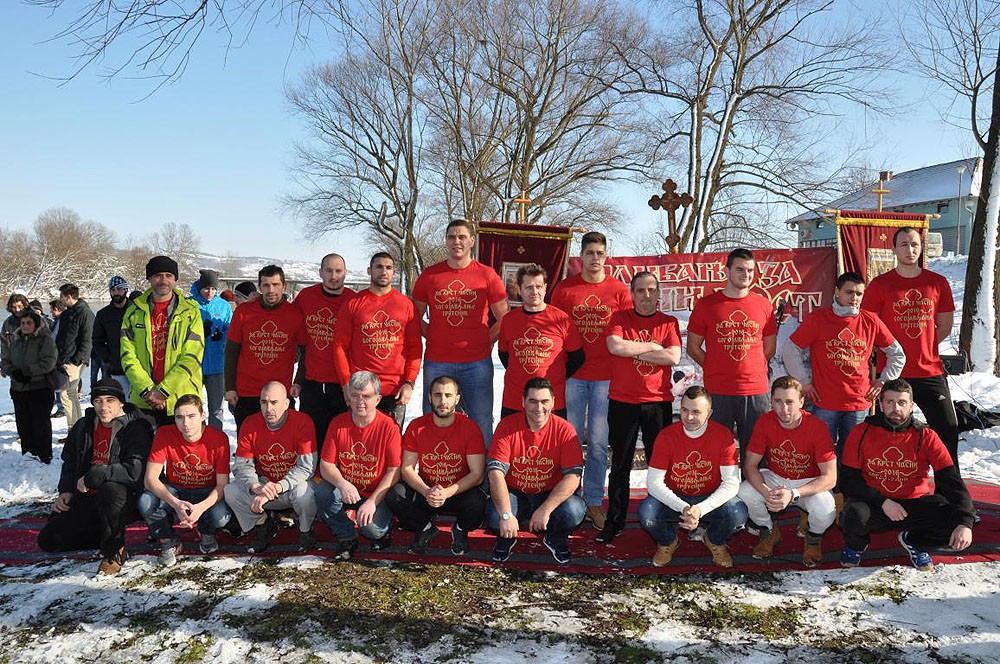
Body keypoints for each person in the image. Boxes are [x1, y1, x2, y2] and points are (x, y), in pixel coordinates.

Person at [840, 379, 974, 571]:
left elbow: (951, 480)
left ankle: (914, 541)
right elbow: (848, 480)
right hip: (875, 503)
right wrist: (882, 501)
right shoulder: (861, 432)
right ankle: (857, 545)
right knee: (852, 515)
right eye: (890, 402)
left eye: (902, 403)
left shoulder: (926, 436)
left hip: (914, 504)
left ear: (911, 406)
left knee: (951, 518)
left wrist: (965, 522)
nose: (896, 408)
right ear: (881, 404)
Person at [550, 231, 632, 529]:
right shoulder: (565, 289)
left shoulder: (619, 291)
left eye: (600, 253)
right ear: (580, 256)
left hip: (606, 377)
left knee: (598, 444)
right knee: (569, 442)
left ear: (605, 255)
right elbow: (554, 330)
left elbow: (627, 331)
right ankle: (566, 497)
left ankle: (594, 501)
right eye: (590, 253)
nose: (595, 258)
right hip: (573, 376)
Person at [861, 227, 961, 464]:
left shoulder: (937, 283)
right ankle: (888, 486)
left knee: (947, 429)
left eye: (915, 244)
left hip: (929, 371)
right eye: (904, 244)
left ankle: (950, 489)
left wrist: (922, 346)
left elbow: (944, 326)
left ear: (921, 247)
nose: (910, 249)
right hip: (893, 373)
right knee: (888, 433)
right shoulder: (880, 285)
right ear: (894, 249)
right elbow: (867, 329)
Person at [37, 379, 155, 575]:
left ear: (121, 403)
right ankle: (104, 534)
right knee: (49, 541)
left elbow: (134, 471)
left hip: (127, 497)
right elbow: (70, 460)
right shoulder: (84, 426)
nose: (104, 407)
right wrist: (66, 490)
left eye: (110, 400)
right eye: (98, 401)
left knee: (111, 488)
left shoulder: (136, 427)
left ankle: (114, 550)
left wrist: (95, 475)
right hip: (88, 496)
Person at [597, 271, 681, 544]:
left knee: (660, 464)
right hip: (623, 400)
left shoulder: (668, 322)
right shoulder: (620, 318)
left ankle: (662, 518)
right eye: (641, 291)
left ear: (659, 293)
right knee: (620, 464)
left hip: (657, 402)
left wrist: (633, 348)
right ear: (632, 294)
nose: (647, 296)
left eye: (651, 290)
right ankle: (615, 521)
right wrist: (651, 346)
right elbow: (614, 346)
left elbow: (673, 356)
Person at [783, 271, 905, 452]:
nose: (854, 298)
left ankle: (847, 482)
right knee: (821, 454)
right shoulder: (819, 319)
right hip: (825, 402)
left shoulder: (871, 321)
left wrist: (883, 382)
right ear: (836, 292)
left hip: (858, 402)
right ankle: (828, 482)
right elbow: (790, 349)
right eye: (849, 292)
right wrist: (803, 382)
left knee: (852, 455)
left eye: (859, 294)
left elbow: (898, 354)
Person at [412, 219, 509, 446]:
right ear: (446, 241)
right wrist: (433, 335)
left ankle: (484, 480)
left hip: (477, 362)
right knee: (432, 417)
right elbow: (413, 317)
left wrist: (487, 341)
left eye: (462, 237)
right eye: (452, 237)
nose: (457, 241)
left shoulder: (487, 275)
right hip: (438, 360)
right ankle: (431, 474)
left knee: (481, 420)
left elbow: (505, 317)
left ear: (472, 241)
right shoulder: (430, 275)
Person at [638, 386, 747, 568]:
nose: (689, 417)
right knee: (647, 513)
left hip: (709, 496)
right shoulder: (666, 436)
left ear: (709, 413)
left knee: (738, 514)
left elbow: (731, 483)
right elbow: (653, 483)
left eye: (696, 412)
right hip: (674, 497)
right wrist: (683, 508)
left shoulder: (723, 436)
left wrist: (700, 509)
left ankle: (714, 539)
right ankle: (668, 541)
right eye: (684, 410)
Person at [737, 376, 837, 567]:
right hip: (776, 477)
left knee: (826, 510)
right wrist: (766, 493)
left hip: (808, 481)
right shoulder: (765, 421)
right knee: (744, 492)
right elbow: (750, 465)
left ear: (801, 401)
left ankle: (813, 538)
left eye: (790, 402)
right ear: (771, 401)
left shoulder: (817, 427)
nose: (784, 409)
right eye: (778, 402)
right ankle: (768, 531)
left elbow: (830, 477)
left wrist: (793, 494)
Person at [486, 377, 586, 565]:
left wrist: (545, 510)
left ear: (553, 403)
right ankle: (507, 536)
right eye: (532, 401)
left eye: (544, 401)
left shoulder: (565, 430)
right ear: (523, 402)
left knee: (575, 510)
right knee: (494, 514)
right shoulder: (507, 426)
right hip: (516, 493)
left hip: (549, 492)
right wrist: (506, 515)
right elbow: (495, 473)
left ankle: (554, 538)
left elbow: (573, 477)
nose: (538, 407)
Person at [687, 248, 777, 450]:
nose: (746, 275)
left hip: (755, 391)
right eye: (740, 270)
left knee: (756, 455)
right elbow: (693, 348)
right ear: (726, 271)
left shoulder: (764, 305)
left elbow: (769, 348)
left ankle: (752, 484)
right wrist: (715, 366)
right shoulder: (706, 305)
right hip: (718, 390)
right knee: (716, 452)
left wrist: (750, 367)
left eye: (750, 271)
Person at [386, 375, 487, 556]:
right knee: (395, 494)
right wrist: (426, 491)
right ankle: (425, 527)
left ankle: (460, 529)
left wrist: (446, 493)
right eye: (438, 395)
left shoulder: (470, 428)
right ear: (429, 398)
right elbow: (407, 469)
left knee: (478, 501)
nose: (443, 401)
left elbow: (477, 474)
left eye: (448, 396)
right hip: (428, 491)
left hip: (457, 491)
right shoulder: (417, 427)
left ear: (457, 399)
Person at [138, 393, 234, 565]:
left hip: (206, 490)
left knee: (221, 516)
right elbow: (150, 480)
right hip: (176, 489)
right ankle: (168, 540)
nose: (186, 423)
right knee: (146, 501)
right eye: (179, 417)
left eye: (191, 416)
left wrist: (199, 508)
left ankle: (207, 533)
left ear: (203, 416)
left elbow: (222, 485)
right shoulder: (165, 434)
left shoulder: (218, 439)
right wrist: (175, 503)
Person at [223, 381, 318, 554]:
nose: (268, 408)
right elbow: (242, 466)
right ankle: (262, 525)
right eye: (264, 402)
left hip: (290, 486)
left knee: (305, 492)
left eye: (274, 402)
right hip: (264, 485)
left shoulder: (302, 422)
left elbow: (306, 468)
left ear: (286, 403)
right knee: (231, 490)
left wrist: (279, 486)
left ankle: (306, 530)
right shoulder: (250, 424)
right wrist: (256, 486)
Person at [317, 370, 402, 560]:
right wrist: (342, 483)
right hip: (349, 489)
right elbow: (326, 465)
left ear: (378, 399)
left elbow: (394, 471)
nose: (359, 401)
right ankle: (346, 536)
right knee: (322, 492)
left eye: (366, 396)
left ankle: (385, 527)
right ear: (348, 397)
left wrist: (372, 501)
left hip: (376, 493)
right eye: (354, 395)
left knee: (371, 531)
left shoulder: (389, 427)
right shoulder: (337, 424)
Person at [333, 253, 421, 425]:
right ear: (369, 270)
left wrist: (409, 383)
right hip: (361, 389)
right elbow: (340, 347)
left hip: (394, 390)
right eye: (379, 267)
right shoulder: (353, 304)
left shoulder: (405, 305)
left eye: (388, 268)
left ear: (394, 272)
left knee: (391, 445)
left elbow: (415, 347)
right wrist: (345, 384)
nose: (384, 271)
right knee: (361, 445)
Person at [120, 256, 205, 427]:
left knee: (181, 453)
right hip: (144, 400)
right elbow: (127, 356)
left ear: (175, 279)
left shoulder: (191, 312)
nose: (163, 280)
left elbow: (192, 356)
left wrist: (164, 391)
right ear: (149, 278)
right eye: (158, 275)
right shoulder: (133, 312)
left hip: (181, 400)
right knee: (142, 452)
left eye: (168, 275)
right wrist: (148, 391)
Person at [225, 265, 307, 431]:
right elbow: (231, 352)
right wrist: (230, 387)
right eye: (266, 285)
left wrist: (298, 382)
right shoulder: (244, 312)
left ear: (284, 286)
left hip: (280, 393)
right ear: (260, 287)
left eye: (276, 285)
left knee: (280, 447)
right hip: (247, 392)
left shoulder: (294, 314)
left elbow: (306, 352)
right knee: (247, 445)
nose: (271, 290)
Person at [497, 264, 584, 419]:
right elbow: (504, 355)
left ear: (545, 287)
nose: (534, 292)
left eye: (538, 286)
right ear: (519, 289)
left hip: (550, 401)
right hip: (515, 400)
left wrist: (556, 376)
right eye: (529, 287)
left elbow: (577, 357)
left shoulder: (561, 319)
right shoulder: (509, 320)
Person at [294, 253, 355, 446]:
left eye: (338, 271)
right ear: (321, 272)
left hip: (342, 381)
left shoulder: (353, 300)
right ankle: (311, 472)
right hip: (312, 379)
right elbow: (287, 321)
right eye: (328, 270)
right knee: (310, 434)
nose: (334, 275)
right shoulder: (306, 297)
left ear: (345, 273)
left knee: (339, 436)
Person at [1, 308, 57, 462]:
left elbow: (48, 363)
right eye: (23, 323)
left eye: (29, 323)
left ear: (36, 324)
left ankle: (45, 456)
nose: (25, 325)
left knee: (41, 425)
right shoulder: (16, 342)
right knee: (23, 425)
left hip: (39, 388)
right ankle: (28, 454)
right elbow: (5, 361)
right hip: (18, 389)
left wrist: (28, 372)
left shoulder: (45, 340)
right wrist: (14, 372)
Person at [191, 269, 232, 431]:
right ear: (200, 287)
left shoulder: (223, 306)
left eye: (214, 289)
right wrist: (200, 332)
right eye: (207, 288)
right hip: (193, 364)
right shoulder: (190, 304)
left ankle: (216, 440)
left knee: (216, 408)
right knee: (193, 406)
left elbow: (230, 331)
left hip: (217, 364)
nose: (210, 292)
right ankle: (194, 437)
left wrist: (220, 334)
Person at [54, 283, 95, 428]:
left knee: (66, 394)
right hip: (64, 358)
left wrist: (77, 360)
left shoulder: (85, 313)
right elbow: (61, 338)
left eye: (61, 296)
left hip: (74, 360)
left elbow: (88, 338)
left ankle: (73, 429)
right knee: (71, 394)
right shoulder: (66, 314)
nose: (60, 299)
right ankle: (77, 428)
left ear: (69, 297)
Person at [92, 275, 132, 397]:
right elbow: (97, 340)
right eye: (113, 290)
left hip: (139, 365)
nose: (116, 293)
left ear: (125, 290)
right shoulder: (103, 314)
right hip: (116, 366)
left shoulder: (136, 310)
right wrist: (108, 358)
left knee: (139, 402)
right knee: (122, 400)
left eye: (119, 289)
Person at [1, 293, 32, 367]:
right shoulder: (8, 323)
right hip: (15, 365)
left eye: (20, 306)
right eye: (14, 307)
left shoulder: (35, 320)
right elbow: (4, 345)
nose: (17, 310)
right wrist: (4, 365)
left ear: (25, 305)